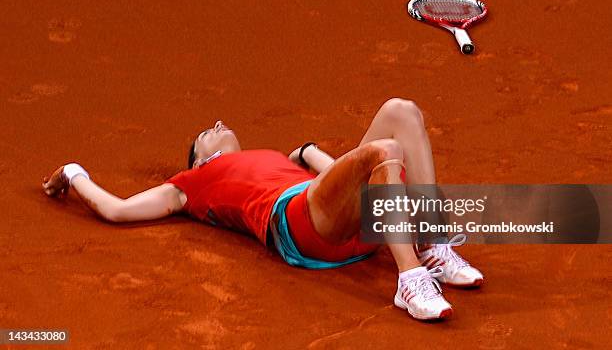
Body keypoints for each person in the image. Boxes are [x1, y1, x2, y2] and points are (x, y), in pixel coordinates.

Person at [42, 98, 483, 320]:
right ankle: (410, 281)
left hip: (341, 218)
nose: (216, 125)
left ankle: (431, 245)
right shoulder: (190, 184)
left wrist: (308, 153)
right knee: (385, 148)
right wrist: (75, 172)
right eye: (205, 133)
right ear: (199, 160)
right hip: (302, 228)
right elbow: (118, 210)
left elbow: (352, 177)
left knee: (401, 112)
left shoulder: (271, 159)